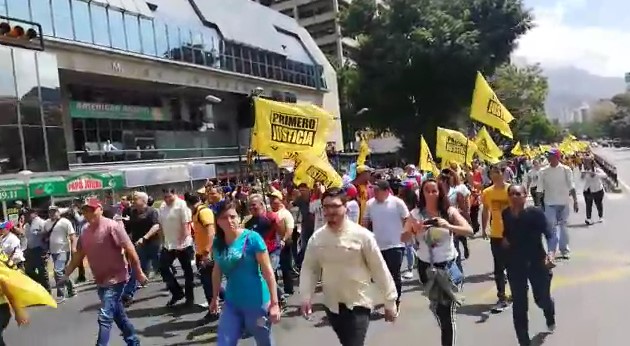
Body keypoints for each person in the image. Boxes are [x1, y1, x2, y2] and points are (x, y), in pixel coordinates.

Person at [300, 187, 397, 346]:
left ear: (346, 207)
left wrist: (390, 301)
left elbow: (379, 268)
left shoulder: (362, 236)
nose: (330, 211)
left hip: (358, 303)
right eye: (326, 207)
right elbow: (310, 269)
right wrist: (306, 296)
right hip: (332, 306)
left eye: (335, 206)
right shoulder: (317, 238)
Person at [62, 198, 146, 346]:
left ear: (100, 209)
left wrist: (138, 272)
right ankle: (133, 341)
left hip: (116, 279)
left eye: (92, 210)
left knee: (105, 316)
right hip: (101, 281)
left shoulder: (112, 226)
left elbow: (129, 249)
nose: (89, 213)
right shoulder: (85, 231)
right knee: (118, 315)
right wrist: (66, 274)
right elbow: (79, 256)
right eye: (86, 211)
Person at [402, 178, 472, 346]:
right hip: (427, 268)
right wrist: (414, 229)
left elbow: (469, 230)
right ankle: (438, 309)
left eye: (435, 191)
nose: (431, 194)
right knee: (439, 309)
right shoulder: (415, 214)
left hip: (448, 266)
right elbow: (403, 237)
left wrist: (448, 226)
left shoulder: (449, 211)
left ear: (440, 192)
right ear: (422, 193)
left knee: (447, 315)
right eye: (428, 191)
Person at [210, 201, 280, 346]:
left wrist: (274, 303)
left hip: (256, 301)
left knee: (264, 342)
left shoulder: (252, 238)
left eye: (232, 216)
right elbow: (217, 271)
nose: (229, 221)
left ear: (239, 217)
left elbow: (268, 272)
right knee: (224, 342)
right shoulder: (218, 242)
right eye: (224, 217)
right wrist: (215, 297)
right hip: (232, 302)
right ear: (217, 221)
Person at [502, 185, 556, 346]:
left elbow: (550, 235)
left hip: (537, 262)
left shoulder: (535, 213)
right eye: (511, 194)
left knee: (541, 299)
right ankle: (523, 341)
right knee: (519, 304)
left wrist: (551, 254)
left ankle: (549, 312)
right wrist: (505, 241)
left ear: (525, 196)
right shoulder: (506, 214)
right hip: (515, 264)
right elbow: (508, 233)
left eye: (518, 194)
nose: (515, 197)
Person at [363, 180, 409, 313]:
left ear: (386, 191)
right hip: (378, 246)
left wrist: (405, 232)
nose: (374, 193)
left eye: (377, 190)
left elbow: (407, 218)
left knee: (394, 274)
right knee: (381, 276)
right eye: (374, 190)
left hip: (396, 244)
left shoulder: (397, 202)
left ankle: (396, 300)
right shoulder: (370, 204)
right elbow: (365, 221)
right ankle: (388, 298)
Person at [481, 164, 511, 313]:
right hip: (496, 234)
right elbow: (485, 210)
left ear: (503, 173)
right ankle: (502, 297)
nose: (494, 175)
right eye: (492, 173)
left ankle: (516, 292)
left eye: (497, 172)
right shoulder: (487, 192)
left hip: (512, 234)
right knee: (498, 268)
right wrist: (484, 228)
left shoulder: (511, 190)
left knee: (513, 266)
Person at [184, 192, 219, 318]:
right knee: (209, 282)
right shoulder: (196, 212)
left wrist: (206, 253)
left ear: (187, 204)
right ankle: (220, 304)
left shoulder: (203, 212)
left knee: (208, 283)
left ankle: (214, 311)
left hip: (207, 253)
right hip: (201, 252)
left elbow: (211, 232)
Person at [537, 149, 578, 259]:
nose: (550, 158)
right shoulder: (543, 171)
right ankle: (551, 251)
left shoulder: (566, 170)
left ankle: (564, 249)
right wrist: (537, 204)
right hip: (549, 203)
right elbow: (539, 189)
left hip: (564, 202)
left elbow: (571, 186)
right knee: (551, 227)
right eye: (549, 156)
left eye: (552, 156)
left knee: (563, 226)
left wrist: (575, 201)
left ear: (558, 157)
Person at [158, 189, 195, 307]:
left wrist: (182, 243)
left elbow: (186, 225)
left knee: (187, 272)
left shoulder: (182, 205)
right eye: (165, 197)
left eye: (170, 197)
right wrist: (162, 241)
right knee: (163, 267)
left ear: (175, 194)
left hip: (183, 244)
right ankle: (177, 292)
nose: (167, 199)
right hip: (168, 244)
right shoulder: (163, 207)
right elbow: (161, 225)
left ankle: (190, 298)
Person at [581, 158, 606, 224]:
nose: (586, 164)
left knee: (598, 204)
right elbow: (581, 180)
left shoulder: (597, 170)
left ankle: (600, 216)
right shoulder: (585, 171)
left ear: (591, 163)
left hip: (598, 190)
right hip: (588, 190)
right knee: (588, 205)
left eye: (587, 162)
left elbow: (604, 175)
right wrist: (582, 176)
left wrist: (595, 174)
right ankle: (588, 218)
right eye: (585, 163)